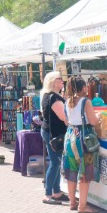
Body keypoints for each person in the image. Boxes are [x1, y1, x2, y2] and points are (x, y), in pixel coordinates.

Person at [63, 78, 101, 213]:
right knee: (84, 173)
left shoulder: (67, 102)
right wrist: (99, 116)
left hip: (70, 138)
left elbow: (66, 121)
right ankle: (82, 206)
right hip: (83, 140)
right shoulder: (86, 102)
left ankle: (72, 202)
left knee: (71, 171)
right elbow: (93, 121)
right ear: (83, 88)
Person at [39, 73, 68, 205]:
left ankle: (56, 191)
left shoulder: (47, 95)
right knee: (55, 162)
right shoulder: (54, 98)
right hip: (54, 134)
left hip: (50, 132)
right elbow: (64, 118)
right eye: (59, 79)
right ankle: (48, 193)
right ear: (53, 82)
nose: (62, 81)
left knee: (56, 162)